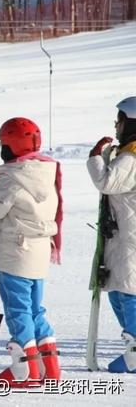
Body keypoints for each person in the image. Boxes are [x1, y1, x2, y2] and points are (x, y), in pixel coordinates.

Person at [0, 117, 62, 387]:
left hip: (15, 255)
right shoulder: (46, 174)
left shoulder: (12, 178)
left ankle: (26, 371)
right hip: (38, 253)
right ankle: (50, 367)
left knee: (18, 311)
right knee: (36, 310)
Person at [87, 96, 136, 373]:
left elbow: (106, 182)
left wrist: (95, 157)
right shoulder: (128, 154)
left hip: (130, 238)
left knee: (128, 290)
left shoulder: (131, 157)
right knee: (118, 290)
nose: (116, 127)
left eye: (119, 121)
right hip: (123, 235)